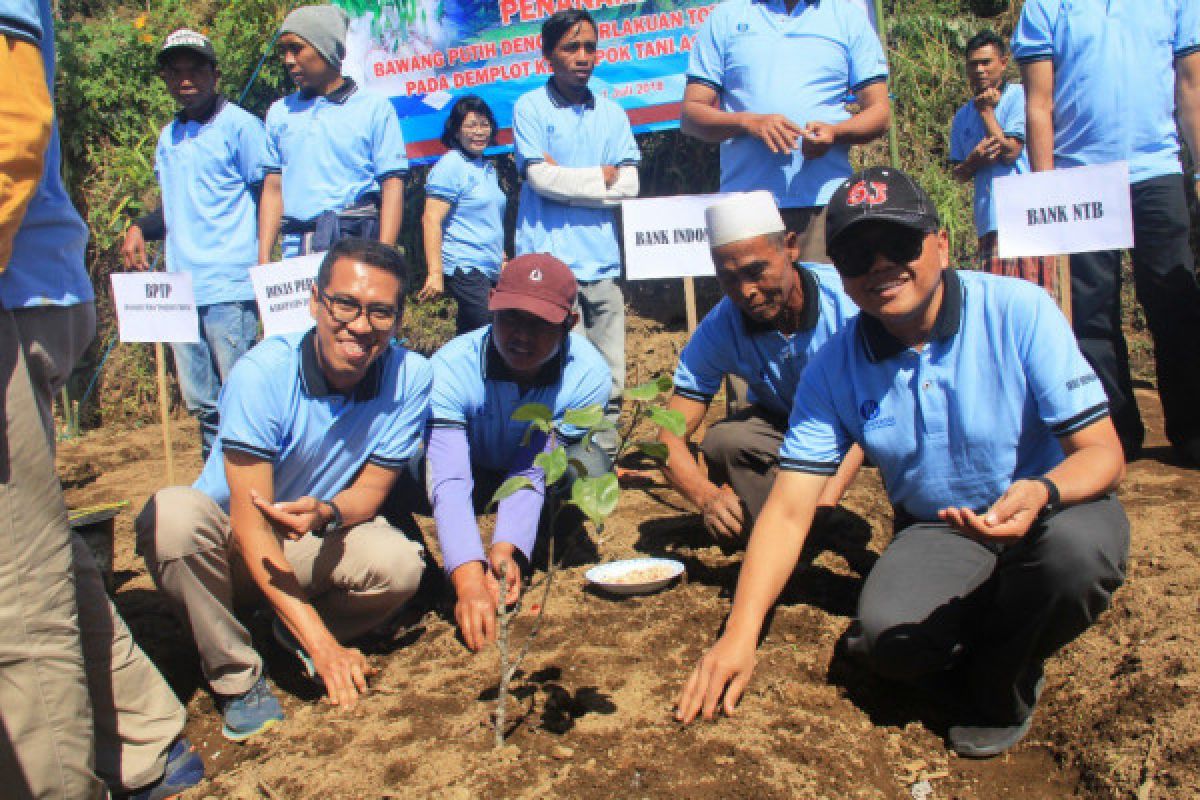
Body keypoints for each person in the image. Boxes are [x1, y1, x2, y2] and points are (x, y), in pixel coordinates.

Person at [676, 167, 1129, 760]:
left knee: (1076, 558)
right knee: (888, 643)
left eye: (900, 243)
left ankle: (1000, 687)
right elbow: (788, 510)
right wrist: (738, 637)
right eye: (858, 255)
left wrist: (1042, 492)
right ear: (839, 269)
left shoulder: (1019, 309)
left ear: (941, 243)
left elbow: (1102, 452)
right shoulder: (834, 367)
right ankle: (988, 624)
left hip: (1052, 506)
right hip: (937, 525)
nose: (881, 265)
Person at [1, 0, 201, 795]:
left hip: (12, 290)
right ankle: (143, 733)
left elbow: (11, 124)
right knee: (32, 550)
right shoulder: (168, 140)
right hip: (27, 286)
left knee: (12, 591)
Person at [136, 238, 431, 740]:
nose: (361, 326)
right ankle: (236, 675)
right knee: (172, 517)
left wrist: (327, 511)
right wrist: (324, 646)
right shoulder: (262, 375)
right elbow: (252, 530)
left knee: (400, 566)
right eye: (346, 305)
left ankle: (277, 635)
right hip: (228, 547)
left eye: (381, 312)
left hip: (302, 541)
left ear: (398, 319)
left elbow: (369, 494)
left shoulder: (411, 376)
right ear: (316, 301)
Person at [1013, 0, 1200, 464]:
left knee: (1176, 303)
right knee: (1092, 313)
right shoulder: (1045, 6)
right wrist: (1046, 187)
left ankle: (1193, 428)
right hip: (1080, 178)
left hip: (1158, 170)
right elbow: (1038, 103)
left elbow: (1192, 85)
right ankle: (1116, 432)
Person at [426, 253, 611, 651]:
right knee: (410, 466)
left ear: (570, 324)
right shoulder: (450, 369)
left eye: (541, 324)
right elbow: (451, 477)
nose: (522, 335)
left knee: (589, 466)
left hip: (531, 472)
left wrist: (508, 548)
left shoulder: (587, 375)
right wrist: (469, 578)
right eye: (511, 317)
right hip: (470, 469)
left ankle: (553, 532)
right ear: (491, 303)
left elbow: (533, 467)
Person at [658, 190, 862, 543]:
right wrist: (705, 497)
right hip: (789, 424)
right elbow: (668, 439)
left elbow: (883, 405)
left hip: (862, 423)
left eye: (756, 271)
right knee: (726, 440)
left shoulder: (846, 305)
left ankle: (826, 522)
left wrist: (827, 502)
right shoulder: (721, 326)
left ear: (790, 247)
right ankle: (773, 525)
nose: (746, 291)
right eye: (729, 279)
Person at [120, 29, 269, 459]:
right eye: (175, 72)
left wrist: (263, 263)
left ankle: (250, 486)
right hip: (180, 290)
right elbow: (177, 207)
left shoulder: (241, 127)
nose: (185, 80)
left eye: (195, 70)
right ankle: (216, 490)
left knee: (239, 398)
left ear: (214, 74)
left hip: (229, 286)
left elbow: (270, 195)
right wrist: (139, 228)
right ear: (165, 78)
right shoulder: (169, 136)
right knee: (201, 402)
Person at [512, 8, 641, 457]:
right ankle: (559, 457)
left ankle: (602, 455)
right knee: (561, 366)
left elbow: (630, 187)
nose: (583, 56)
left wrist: (564, 179)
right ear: (548, 54)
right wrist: (596, 177)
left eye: (590, 46)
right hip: (549, 265)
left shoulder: (612, 113)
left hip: (601, 260)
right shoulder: (529, 107)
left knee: (610, 369)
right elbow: (538, 180)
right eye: (571, 47)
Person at [681, 0, 890, 261]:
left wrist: (835, 133)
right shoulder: (727, 15)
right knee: (755, 300)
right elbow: (691, 114)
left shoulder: (845, 15)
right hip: (748, 204)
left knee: (826, 297)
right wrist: (748, 123)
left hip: (824, 204)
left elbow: (880, 113)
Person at [258, 4, 408, 261]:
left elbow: (392, 184)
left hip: (355, 243)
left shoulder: (373, 108)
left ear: (326, 48)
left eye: (297, 48)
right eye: (284, 51)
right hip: (296, 250)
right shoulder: (279, 113)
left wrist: (383, 256)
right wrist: (263, 260)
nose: (289, 60)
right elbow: (273, 188)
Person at [949, 30, 1064, 300]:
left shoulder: (1019, 97)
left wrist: (987, 113)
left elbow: (1011, 151)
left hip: (1026, 216)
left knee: (1036, 297)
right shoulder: (963, 115)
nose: (979, 70)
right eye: (973, 64)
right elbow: (957, 173)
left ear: (1003, 62)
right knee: (1000, 301)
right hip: (990, 220)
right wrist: (973, 161)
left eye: (986, 62)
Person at [418, 94, 507, 334]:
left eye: (484, 124)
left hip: (489, 268)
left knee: (473, 335)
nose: (479, 132)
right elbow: (431, 219)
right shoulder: (451, 164)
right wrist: (435, 274)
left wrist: (501, 257)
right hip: (465, 267)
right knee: (491, 329)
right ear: (456, 132)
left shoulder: (486, 168)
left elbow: (488, 220)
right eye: (471, 125)